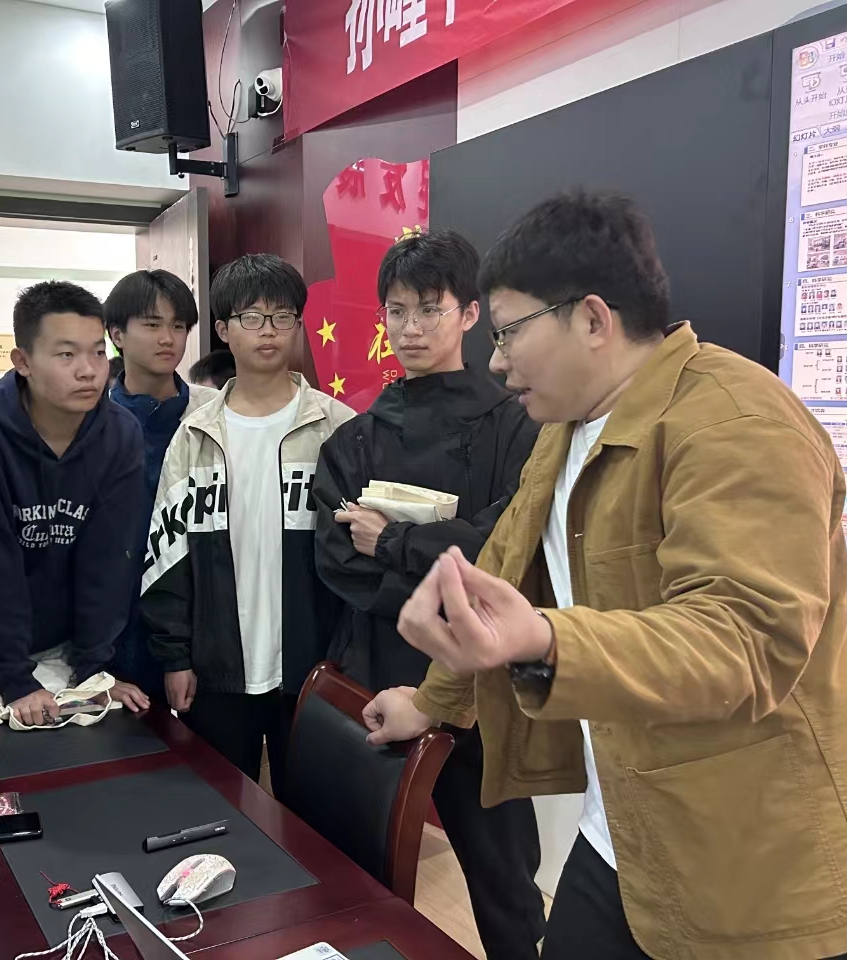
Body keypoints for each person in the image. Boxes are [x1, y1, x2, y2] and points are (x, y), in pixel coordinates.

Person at [363, 192, 847, 960]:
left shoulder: (737, 422)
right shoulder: (565, 425)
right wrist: (430, 701)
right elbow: (502, 573)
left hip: (766, 866)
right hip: (628, 831)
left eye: (508, 332)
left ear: (593, 320)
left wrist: (546, 640)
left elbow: (744, 641)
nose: (496, 361)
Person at [313, 231, 545, 960]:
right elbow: (334, 559)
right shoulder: (355, 438)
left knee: (505, 881)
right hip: (374, 673)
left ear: (470, 314)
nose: (410, 328)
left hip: (480, 684)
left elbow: (506, 551)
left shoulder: (518, 425)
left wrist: (391, 542)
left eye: (429, 309)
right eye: (397, 311)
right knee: (357, 873)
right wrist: (442, 577)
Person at [142, 254, 354, 796]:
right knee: (222, 813)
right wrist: (175, 657)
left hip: (314, 669)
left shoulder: (337, 428)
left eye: (283, 317)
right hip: (216, 671)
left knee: (315, 815)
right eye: (252, 317)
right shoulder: (195, 436)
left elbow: (356, 560)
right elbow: (168, 557)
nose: (268, 331)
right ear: (223, 330)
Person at [0, 280, 150, 725]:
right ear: (23, 362)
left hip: (50, 638)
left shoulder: (120, 434)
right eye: (66, 354)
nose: (88, 370)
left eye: (99, 352)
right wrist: (14, 679)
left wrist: (94, 671)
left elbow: (108, 561)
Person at [105, 269, 218, 698]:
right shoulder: (91, 419)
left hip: (199, 612)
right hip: (116, 614)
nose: (168, 339)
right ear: (117, 333)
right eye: (152, 325)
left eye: (179, 326)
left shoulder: (213, 413)